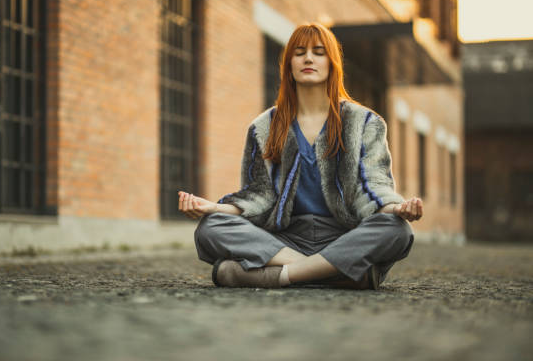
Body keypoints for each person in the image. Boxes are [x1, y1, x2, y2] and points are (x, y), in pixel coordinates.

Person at [178, 22, 422, 289]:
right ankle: (338, 273)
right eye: (299, 52)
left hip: (344, 235)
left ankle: (282, 276)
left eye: (318, 52)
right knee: (210, 228)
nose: (308, 58)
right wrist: (212, 208)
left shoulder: (364, 123)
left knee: (396, 229)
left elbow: (374, 186)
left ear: (332, 63)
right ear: (289, 64)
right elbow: (258, 196)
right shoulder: (264, 127)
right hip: (284, 238)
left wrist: (397, 209)